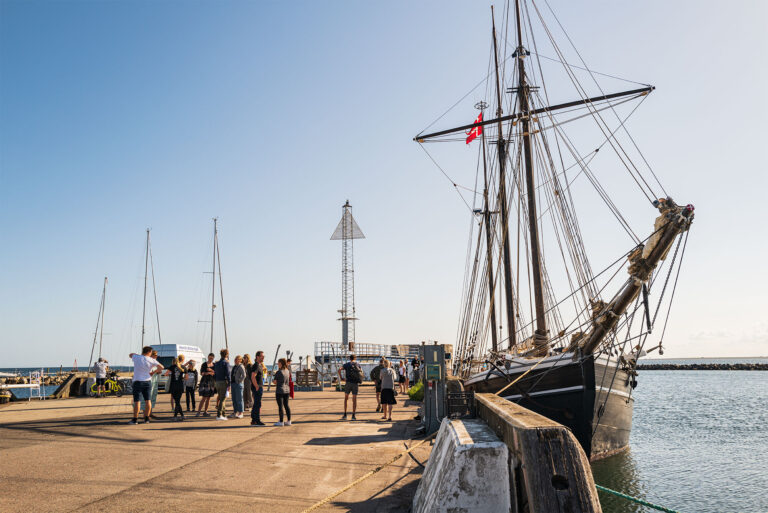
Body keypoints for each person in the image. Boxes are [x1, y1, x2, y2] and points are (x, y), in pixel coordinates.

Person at [128, 346, 163, 424]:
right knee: (148, 400)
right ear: (149, 352)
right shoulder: (152, 360)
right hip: (147, 382)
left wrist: (137, 354)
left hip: (137, 382)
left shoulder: (136, 357)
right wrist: (153, 372)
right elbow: (161, 367)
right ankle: (147, 419)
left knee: (137, 401)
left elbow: (130, 354)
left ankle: (135, 419)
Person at [338, 354, 363, 420]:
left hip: (348, 383)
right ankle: (353, 415)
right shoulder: (358, 364)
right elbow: (361, 373)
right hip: (355, 384)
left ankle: (345, 414)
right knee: (354, 399)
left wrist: (341, 378)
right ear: (355, 358)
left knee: (346, 398)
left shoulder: (347, 365)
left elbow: (339, 369)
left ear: (350, 358)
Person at [213, 348, 233, 421]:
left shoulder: (217, 363)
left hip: (217, 382)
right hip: (223, 382)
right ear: (227, 354)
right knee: (222, 399)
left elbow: (215, 374)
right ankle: (219, 415)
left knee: (222, 398)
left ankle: (223, 414)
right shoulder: (226, 363)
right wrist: (229, 384)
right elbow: (228, 374)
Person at [273, 358, 291, 426]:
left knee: (280, 406)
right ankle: (289, 420)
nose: (278, 364)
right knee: (286, 405)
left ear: (281, 363)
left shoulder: (279, 372)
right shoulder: (287, 371)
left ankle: (281, 421)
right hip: (287, 390)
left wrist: (274, 380)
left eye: (278, 363)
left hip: (280, 390)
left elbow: (275, 382)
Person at [250, 351, 265, 426]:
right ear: (257, 357)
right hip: (257, 387)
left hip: (259, 387)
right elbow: (253, 376)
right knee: (257, 404)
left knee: (257, 404)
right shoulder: (256, 365)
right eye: (262, 356)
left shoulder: (260, 365)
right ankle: (256, 420)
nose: (263, 357)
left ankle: (254, 420)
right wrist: (256, 386)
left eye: (263, 356)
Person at [230, 355, 246, 419]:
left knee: (239, 399)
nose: (235, 361)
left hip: (238, 384)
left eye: (236, 359)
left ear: (240, 360)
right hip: (233, 384)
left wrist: (239, 381)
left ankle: (240, 412)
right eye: (235, 359)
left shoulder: (241, 366)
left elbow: (244, 375)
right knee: (234, 399)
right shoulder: (234, 367)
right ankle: (235, 412)